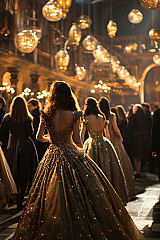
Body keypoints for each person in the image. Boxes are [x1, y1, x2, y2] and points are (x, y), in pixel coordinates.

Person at [13, 81, 144, 239]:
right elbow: (78, 140)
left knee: (46, 194)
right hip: (71, 153)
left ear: (53, 95)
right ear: (68, 94)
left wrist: (53, 139)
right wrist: (78, 152)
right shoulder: (74, 114)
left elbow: (38, 137)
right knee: (82, 192)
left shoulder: (46, 115)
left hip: (52, 154)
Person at [81, 97, 129, 204]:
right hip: (104, 143)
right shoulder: (102, 117)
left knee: (93, 171)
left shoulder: (86, 119)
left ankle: (96, 195)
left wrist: (79, 148)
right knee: (107, 168)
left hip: (92, 143)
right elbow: (107, 134)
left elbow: (81, 136)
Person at [0, 96, 38, 210]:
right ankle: (20, 201)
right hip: (26, 146)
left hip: (13, 146)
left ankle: (15, 198)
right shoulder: (28, 118)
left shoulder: (8, 117)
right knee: (24, 174)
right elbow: (30, 132)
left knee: (15, 172)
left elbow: (0, 131)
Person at [100, 97, 135, 198]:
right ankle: (121, 186)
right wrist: (120, 137)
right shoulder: (112, 115)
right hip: (114, 139)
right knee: (119, 161)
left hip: (103, 139)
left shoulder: (99, 116)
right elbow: (116, 129)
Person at [128, 104, 151, 178]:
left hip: (136, 137)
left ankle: (138, 171)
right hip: (144, 137)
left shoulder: (132, 117)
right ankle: (141, 169)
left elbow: (130, 128)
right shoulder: (145, 117)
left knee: (136, 155)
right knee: (141, 154)